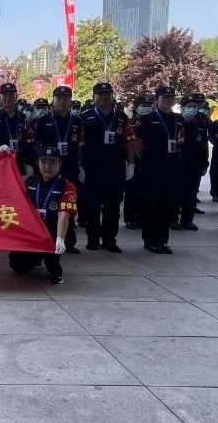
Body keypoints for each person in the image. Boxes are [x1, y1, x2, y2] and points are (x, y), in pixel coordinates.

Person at [77, 82, 133, 253]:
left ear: (112, 96)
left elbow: (129, 141)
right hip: (92, 168)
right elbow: (80, 144)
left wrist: (131, 163)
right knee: (92, 205)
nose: (104, 97)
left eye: (107, 94)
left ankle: (110, 240)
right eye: (100, 94)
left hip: (116, 167)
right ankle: (93, 238)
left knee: (113, 206)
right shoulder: (85, 117)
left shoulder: (122, 117)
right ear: (94, 97)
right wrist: (80, 165)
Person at [9, 147, 76, 284]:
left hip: (54, 230)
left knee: (54, 272)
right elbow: (10, 182)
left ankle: (52, 263)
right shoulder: (30, 182)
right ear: (38, 163)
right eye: (43, 162)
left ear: (60, 163)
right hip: (33, 231)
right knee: (17, 265)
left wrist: (60, 239)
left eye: (52, 162)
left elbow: (64, 214)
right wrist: (7, 156)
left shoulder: (67, 186)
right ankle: (36, 257)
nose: (47, 166)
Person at [132, 86, 184, 253]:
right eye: (165, 98)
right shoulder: (147, 119)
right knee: (152, 205)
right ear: (157, 100)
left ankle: (163, 239)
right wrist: (144, 160)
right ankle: (150, 240)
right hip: (152, 168)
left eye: (171, 98)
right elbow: (137, 142)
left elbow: (181, 138)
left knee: (167, 205)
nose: (168, 101)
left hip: (172, 167)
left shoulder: (178, 119)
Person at [31, 85, 81, 250]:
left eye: (66, 98)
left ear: (70, 100)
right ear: (53, 100)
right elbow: (34, 144)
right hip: (48, 169)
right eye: (59, 98)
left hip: (70, 167)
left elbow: (81, 145)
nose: (62, 101)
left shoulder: (76, 121)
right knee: (47, 203)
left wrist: (81, 165)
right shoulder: (42, 120)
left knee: (68, 205)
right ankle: (45, 238)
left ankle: (68, 241)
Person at [174, 92, 209, 231]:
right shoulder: (175, 121)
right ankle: (173, 219)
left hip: (194, 164)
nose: (192, 109)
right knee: (176, 193)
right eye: (189, 106)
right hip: (177, 163)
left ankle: (187, 220)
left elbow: (204, 145)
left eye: (195, 106)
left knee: (191, 193)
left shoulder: (200, 123)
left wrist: (204, 164)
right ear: (182, 107)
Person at [0, 82, 32, 174]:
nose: (8, 98)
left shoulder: (23, 118)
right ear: (1, 97)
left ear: (16, 97)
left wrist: (28, 163)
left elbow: (27, 142)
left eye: (11, 95)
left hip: (18, 162)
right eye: (5, 95)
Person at [121, 94, 153, 230]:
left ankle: (141, 216)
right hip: (135, 160)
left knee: (145, 191)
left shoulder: (153, 121)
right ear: (136, 107)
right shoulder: (132, 122)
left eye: (148, 105)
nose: (146, 108)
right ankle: (130, 218)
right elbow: (131, 142)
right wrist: (132, 162)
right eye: (143, 105)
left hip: (149, 161)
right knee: (132, 191)